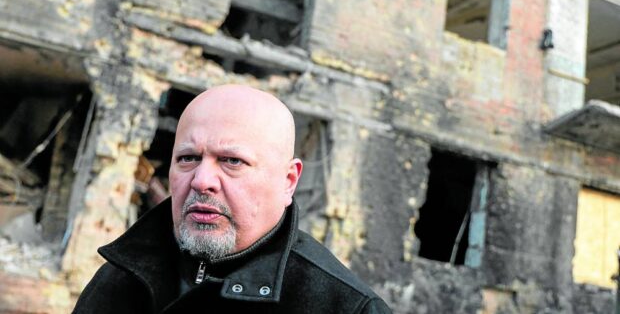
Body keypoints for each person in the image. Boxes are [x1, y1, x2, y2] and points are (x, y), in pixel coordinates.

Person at [73, 84, 392, 313]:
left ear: (288, 181)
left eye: (232, 161)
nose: (201, 180)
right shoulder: (123, 273)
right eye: (188, 158)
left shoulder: (345, 307)